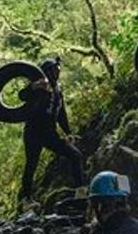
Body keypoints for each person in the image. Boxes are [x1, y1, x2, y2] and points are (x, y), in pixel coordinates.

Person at [17, 58, 86, 204]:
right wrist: (33, 87)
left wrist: (68, 132)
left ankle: (81, 192)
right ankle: (26, 199)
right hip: (33, 132)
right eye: (55, 70)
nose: (58, 73)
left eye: (59, 70)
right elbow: (21, 95)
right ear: (48, 71)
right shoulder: (40, 87)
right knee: (31, 165)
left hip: (50, 134)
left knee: (75, 155)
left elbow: (62, 114)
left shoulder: (58, 90)